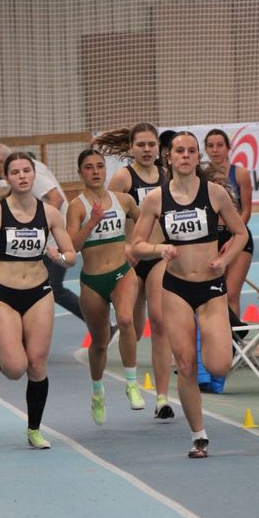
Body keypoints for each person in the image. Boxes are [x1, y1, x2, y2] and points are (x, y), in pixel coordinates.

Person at [132, 131, 248, 458]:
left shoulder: (214, 193)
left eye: (191, 151)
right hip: (176, 288)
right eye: (179, 151)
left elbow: (240, 233)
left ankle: (201, 419)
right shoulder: (156, 199)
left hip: (211, 288)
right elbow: (136, 245)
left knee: (219, 365)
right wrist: (159, 249)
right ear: (168, 157)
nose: (185, 155)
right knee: (185, 364)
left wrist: (225, 258)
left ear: (198, 157)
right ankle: (199, 435)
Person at [0, 151, 77, 449]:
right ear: (6, 177)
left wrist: (60, 257)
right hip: (4, 295)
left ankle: (34, 430)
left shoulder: (50, 214)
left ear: (34, 174)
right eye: (15, 172)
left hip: (39, 293)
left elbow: (71, 256)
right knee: (16, 369)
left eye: (27, 170)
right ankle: (1, 352)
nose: (23, 176)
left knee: (37, 363)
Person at [94, 122, 175, 420]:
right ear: (131, 148)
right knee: (134, 329)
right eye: (140, 145)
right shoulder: (123, 178)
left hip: (157, 256)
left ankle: (162, 398)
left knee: (160, 322)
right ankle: (128, 376)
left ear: (159, 148)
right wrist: (123, 247)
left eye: (151, 144)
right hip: (130, 260)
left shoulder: (167, 177)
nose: (146, 150)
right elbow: (108, 217)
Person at [67, 149, 142, 424]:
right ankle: (98, 392)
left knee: (126, 321)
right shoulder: (76, 207)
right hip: (92, 281)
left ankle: (132, 384)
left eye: (100, 166)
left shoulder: (124, 200)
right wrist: (91, 222)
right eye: (89, 167)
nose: (96, 171)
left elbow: (147, 221)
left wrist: (137, 244)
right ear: (81, 173)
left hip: (122, 273)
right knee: (99, 343)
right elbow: (71, 248)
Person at [0, 143, 85, 323]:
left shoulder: (29, 171)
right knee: (33, 286)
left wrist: (39, 229)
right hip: (38, 239)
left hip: (51, 240)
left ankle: (102, 325)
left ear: (0, 162)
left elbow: (56, 199)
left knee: (51, 288)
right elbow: (10, 216)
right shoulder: (15, 178)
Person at [203, 128, 254, 318]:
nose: (215, 150)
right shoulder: (202, 176)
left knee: (231, 294)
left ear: (228, 147)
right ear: (206, 150)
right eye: (210, 146)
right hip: (213, 237)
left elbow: (246, 210)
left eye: (219, 145)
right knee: (216, 294)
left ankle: (233, 336)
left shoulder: (240, 173)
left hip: (238, 237)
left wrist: (234, 238)